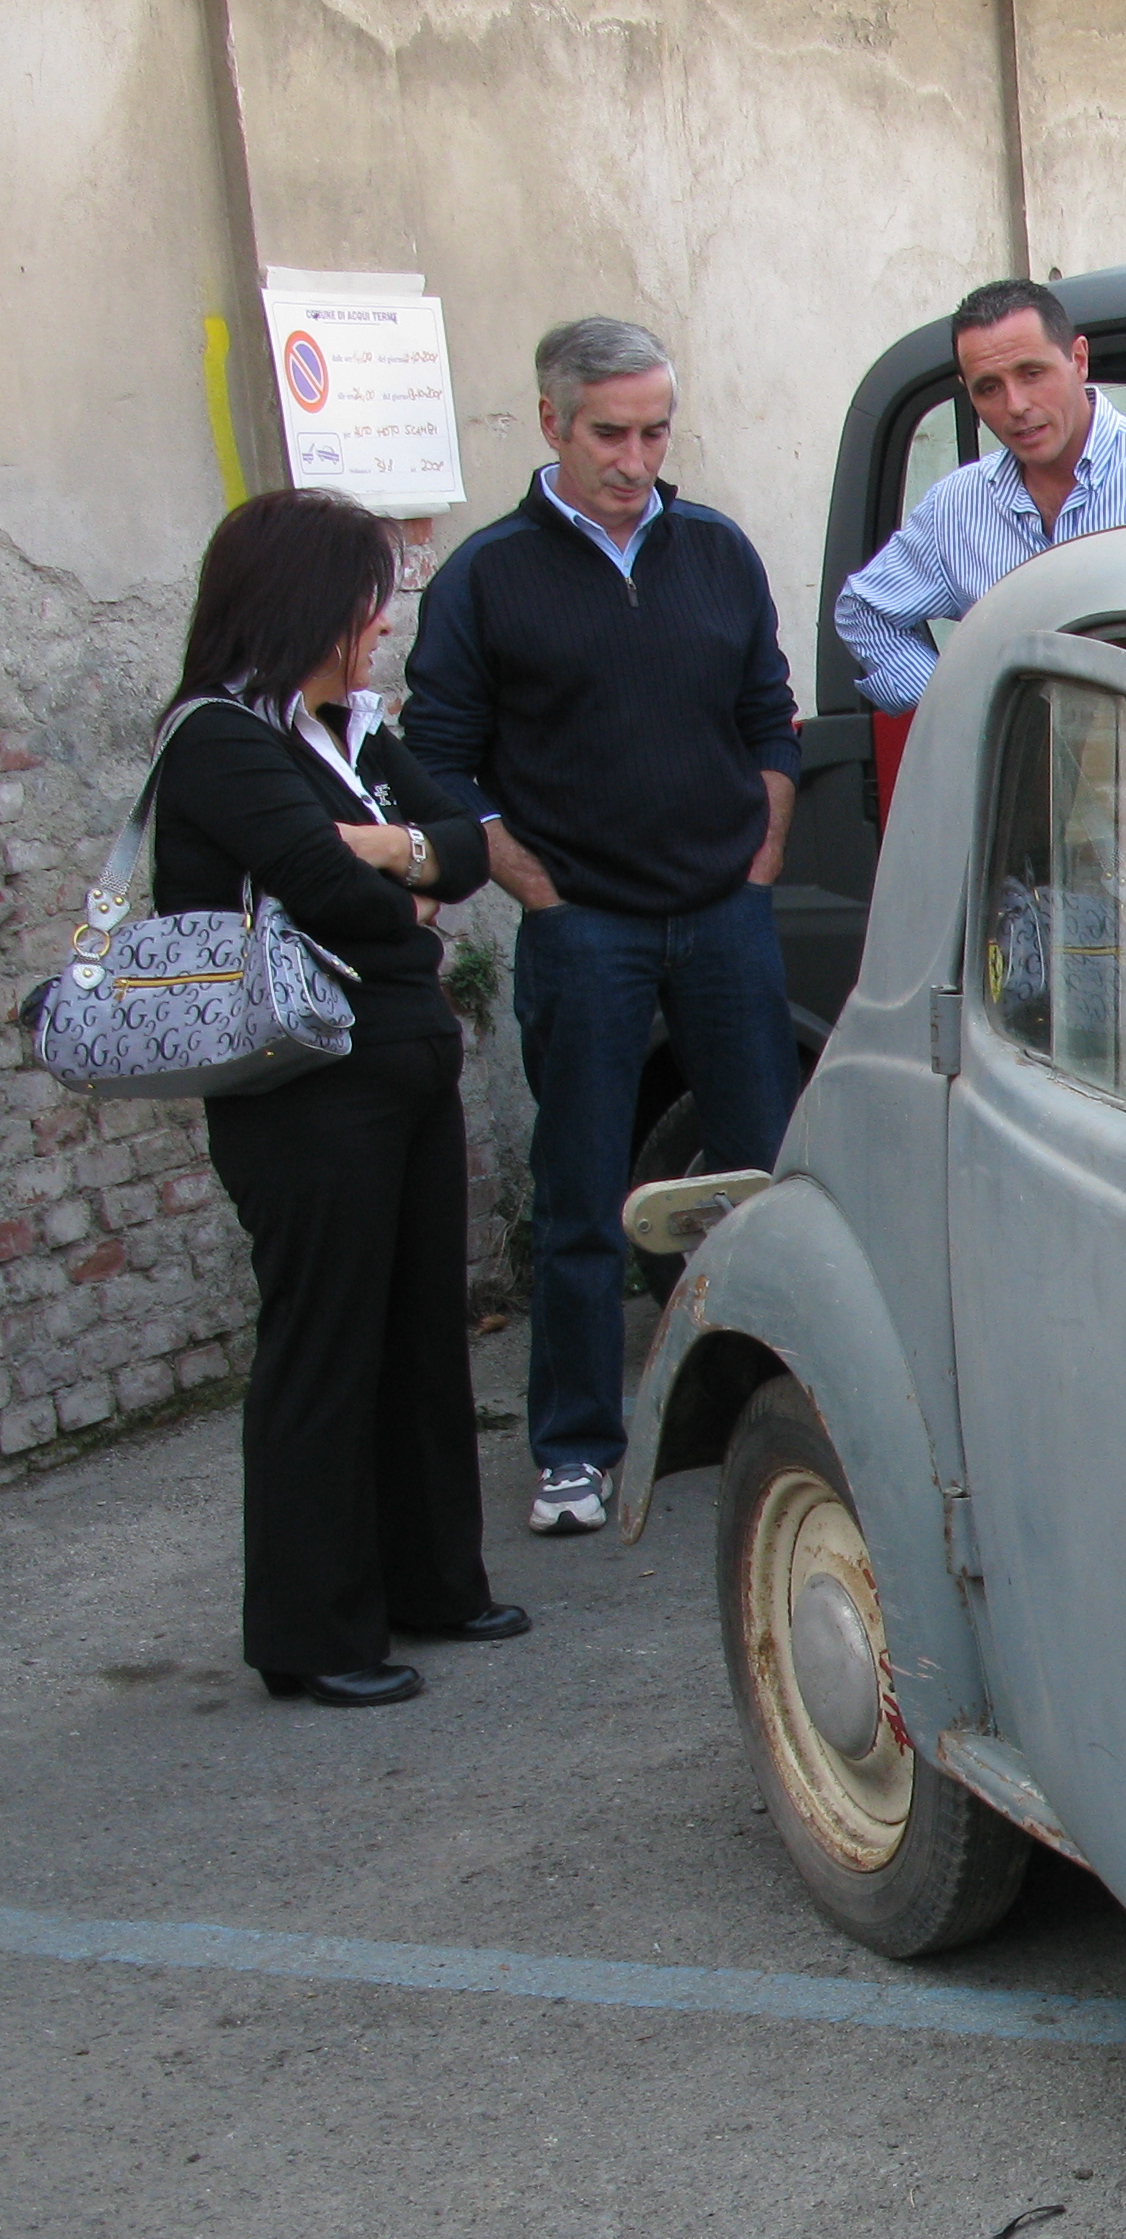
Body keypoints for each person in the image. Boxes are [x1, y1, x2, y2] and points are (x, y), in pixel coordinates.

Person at [402, 317, 803, 1538]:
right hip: (585, 928)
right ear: (551, 425)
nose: (636, 459)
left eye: (655, 431)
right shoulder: (487, 576)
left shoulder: (717, 551)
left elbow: (768, 716)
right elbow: (437, 760)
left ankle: (789, 1410)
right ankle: (577, 1446)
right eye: (610, 434)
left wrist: (764, 849)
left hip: (722, 916)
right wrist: (526, 880)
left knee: (766, 1185)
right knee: (581, 1192)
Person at [150, 490, 521, 1706]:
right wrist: (392, 869)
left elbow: (466, 845)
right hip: (307, 1091)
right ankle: (313, 1633)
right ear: (303, 602)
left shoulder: (349, 734)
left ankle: (430, 1584)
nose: (379, 621)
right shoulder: (219, 738)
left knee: (420, 1332)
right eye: (365, 596)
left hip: (400, 1059)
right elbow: (336, 894)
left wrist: (399, 854)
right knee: (326, 1345)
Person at [832, 277, 1126, 713]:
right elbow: (864, 611)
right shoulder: (958, 508)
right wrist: (958, 711)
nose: (1016, 404)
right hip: (1027, 776)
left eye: (1031, 373)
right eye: (989, 387)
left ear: (1078, 359)